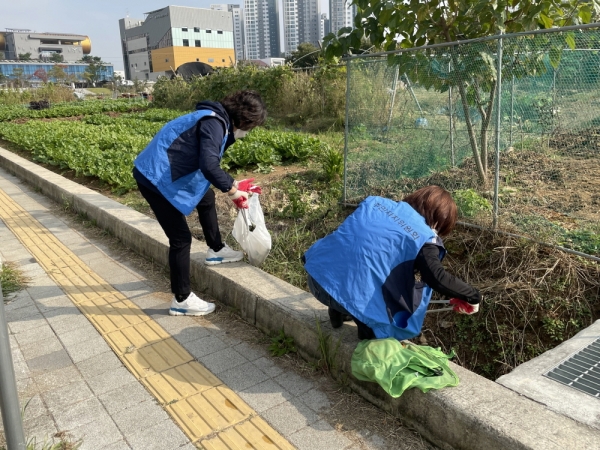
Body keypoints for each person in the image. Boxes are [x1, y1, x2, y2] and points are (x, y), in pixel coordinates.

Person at [133, 90, 266, 317]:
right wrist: (234, 192)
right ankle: (181, 299)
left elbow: (208, 160)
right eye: (249, 126)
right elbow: (208, 165)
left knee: (206, 198)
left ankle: (216, 250)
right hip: (153, 178)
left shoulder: (216, 118)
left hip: (163, 171)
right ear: (243, 119)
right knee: (181, 239)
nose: (247, 132)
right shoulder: (214, 123)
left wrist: (233, 183)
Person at [303, 185, 481, 340]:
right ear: (438, 221)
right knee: (390, 302)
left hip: (315, 279)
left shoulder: (374, 203)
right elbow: (436, 277)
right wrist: (472, 296)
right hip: (339, 296)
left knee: (362, 265)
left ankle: (338, 312)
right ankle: (367, 332)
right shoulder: (424, 236)